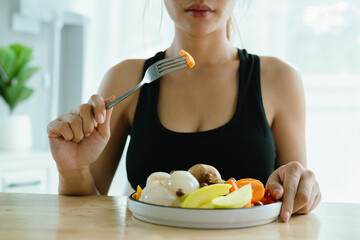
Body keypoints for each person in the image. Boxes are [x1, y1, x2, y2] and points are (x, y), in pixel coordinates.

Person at [47, 0, 321, 222]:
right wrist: (72, 170)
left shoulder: (280, 80)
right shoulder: (125, 80)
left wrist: (302, 187)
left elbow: (294, 204)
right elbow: (84, 212)